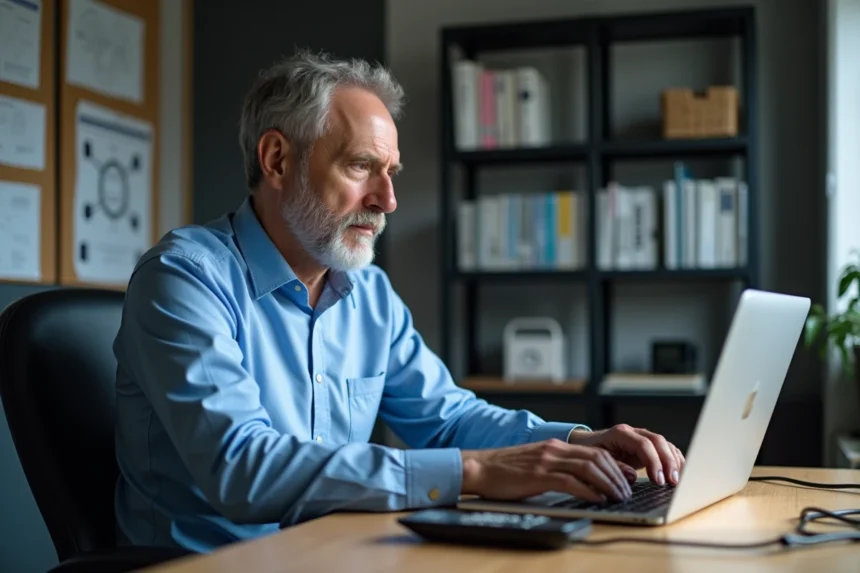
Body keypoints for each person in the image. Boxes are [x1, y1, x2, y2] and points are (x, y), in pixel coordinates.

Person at [113, 49, 685, 553]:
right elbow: (240, 468)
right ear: (278, 160)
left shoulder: (369, 294)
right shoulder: (184, 279)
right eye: (361, 166)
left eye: (390, 173)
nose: (387, 200)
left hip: (336, 552)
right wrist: (477, 472)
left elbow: (447, 419)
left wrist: (575, 443)